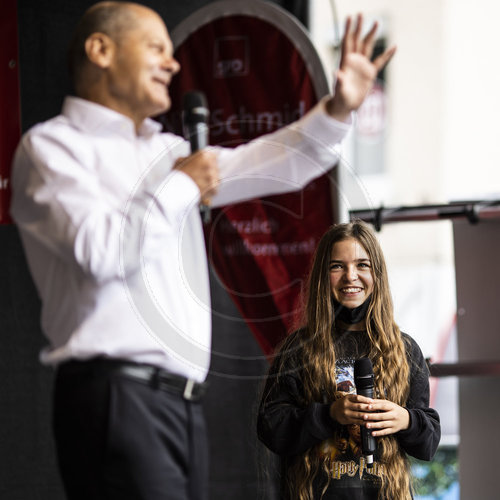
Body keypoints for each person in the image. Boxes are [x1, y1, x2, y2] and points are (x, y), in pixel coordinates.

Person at [10, 1, 395, 499]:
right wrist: (179, 186)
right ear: (100, 50)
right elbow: (100, 251)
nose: (172, 64)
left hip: (182, 405)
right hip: (114, 395)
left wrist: (339, 109)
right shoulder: (53, 148)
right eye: (156, 49)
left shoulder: (167, 152)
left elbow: (279, 161)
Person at [257, 221, 441, 499]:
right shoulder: (298, 349)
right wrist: (329, 414)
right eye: (337, 266)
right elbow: (270, 427)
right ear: (322, 275)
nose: (350, 276)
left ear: (377, 274)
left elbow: (428, 442)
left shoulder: (405, 350)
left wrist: (406, 419)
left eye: (362, 265)